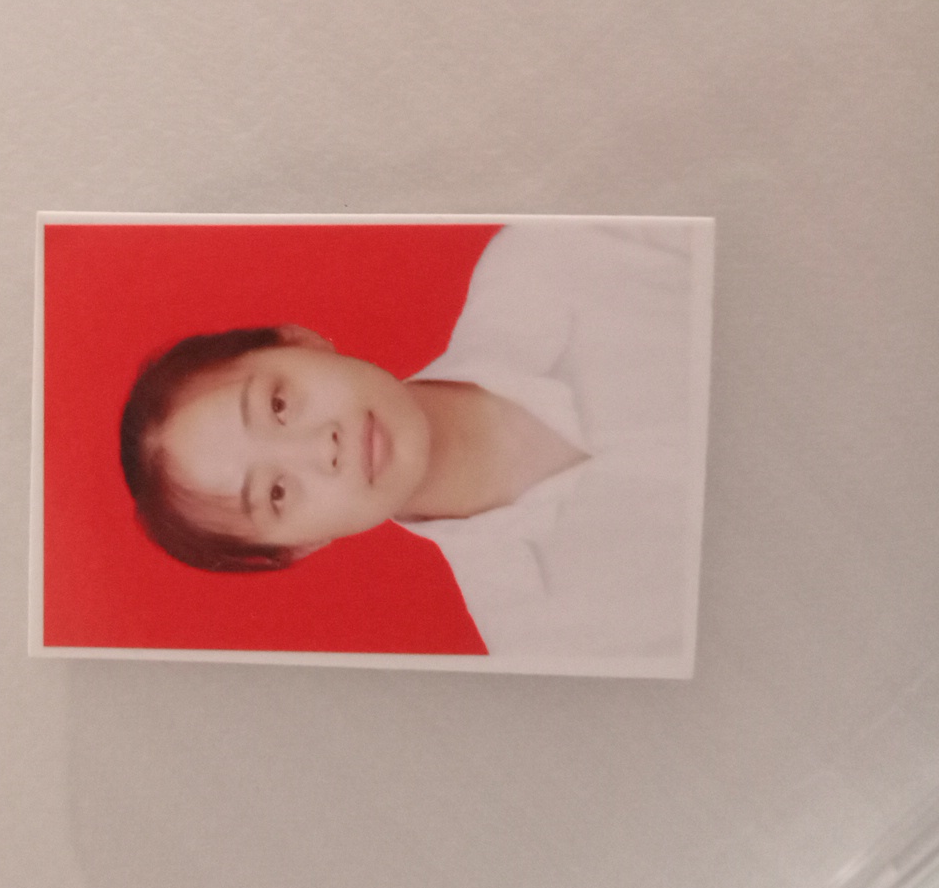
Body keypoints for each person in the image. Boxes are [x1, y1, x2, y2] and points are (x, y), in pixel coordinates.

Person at [118, 219, 708, 661]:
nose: (322, 447)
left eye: (277, 404)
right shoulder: (537, 636)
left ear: (299, 340)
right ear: (301, 547)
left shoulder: (548, 258)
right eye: (276, 493)